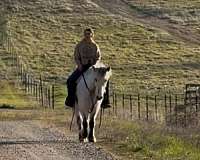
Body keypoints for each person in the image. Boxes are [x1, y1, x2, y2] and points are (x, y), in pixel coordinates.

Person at [65, 28, 111, 109]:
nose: (87, 36)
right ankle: (71, 100)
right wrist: (79, 65)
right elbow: (76, 57)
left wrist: (95, 65)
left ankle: (105, 101)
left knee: (104, 80)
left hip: (93, 68)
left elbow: (98, 57)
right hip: (82, 66)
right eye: (86, 34)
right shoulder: (79, 45)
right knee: (70, 81)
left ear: (92, 35)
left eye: (89, 34)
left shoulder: (95, 46)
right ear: (84, 35)